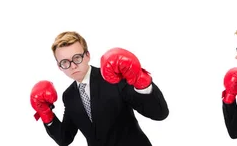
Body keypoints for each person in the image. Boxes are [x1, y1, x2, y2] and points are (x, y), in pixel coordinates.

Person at [29, 31, 169, 146]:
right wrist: (45, 113)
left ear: (87, 56)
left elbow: (159, 113)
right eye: (65, 62)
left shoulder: (113, 77)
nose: (72, 66)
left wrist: (141, 81)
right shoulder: (69, 95)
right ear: (59, 66)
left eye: (77, 58)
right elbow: (64, 138)